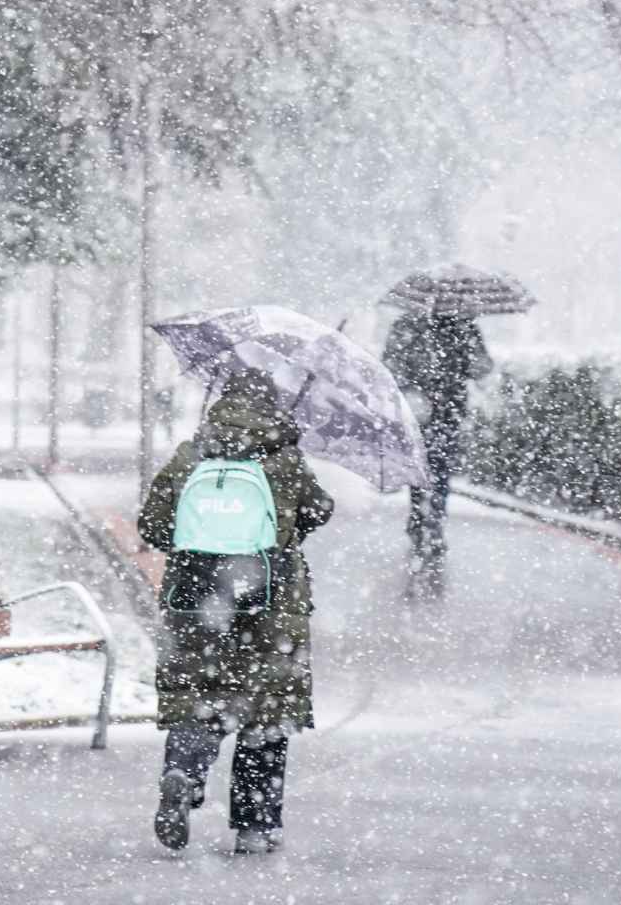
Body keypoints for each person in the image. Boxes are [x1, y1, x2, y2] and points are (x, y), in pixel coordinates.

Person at [137, 367, 335, 855]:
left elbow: (154, 525)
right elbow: (319, 510)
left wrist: (202, 548)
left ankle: (185, 769)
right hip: (271, 602)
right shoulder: (285, 460)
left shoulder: (192, 453)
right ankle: (255, 826)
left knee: (198, 694)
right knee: (266, 709)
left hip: (196, 600)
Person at [381, 309, 492, 597]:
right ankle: (431, 519)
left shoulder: (408, 325)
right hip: (440, 411)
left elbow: (389, 365)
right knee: (436, 468)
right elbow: (481, 367)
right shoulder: (463, 326)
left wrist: (411, 383)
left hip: (427, 411)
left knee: (426, 467)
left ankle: (423, 517)